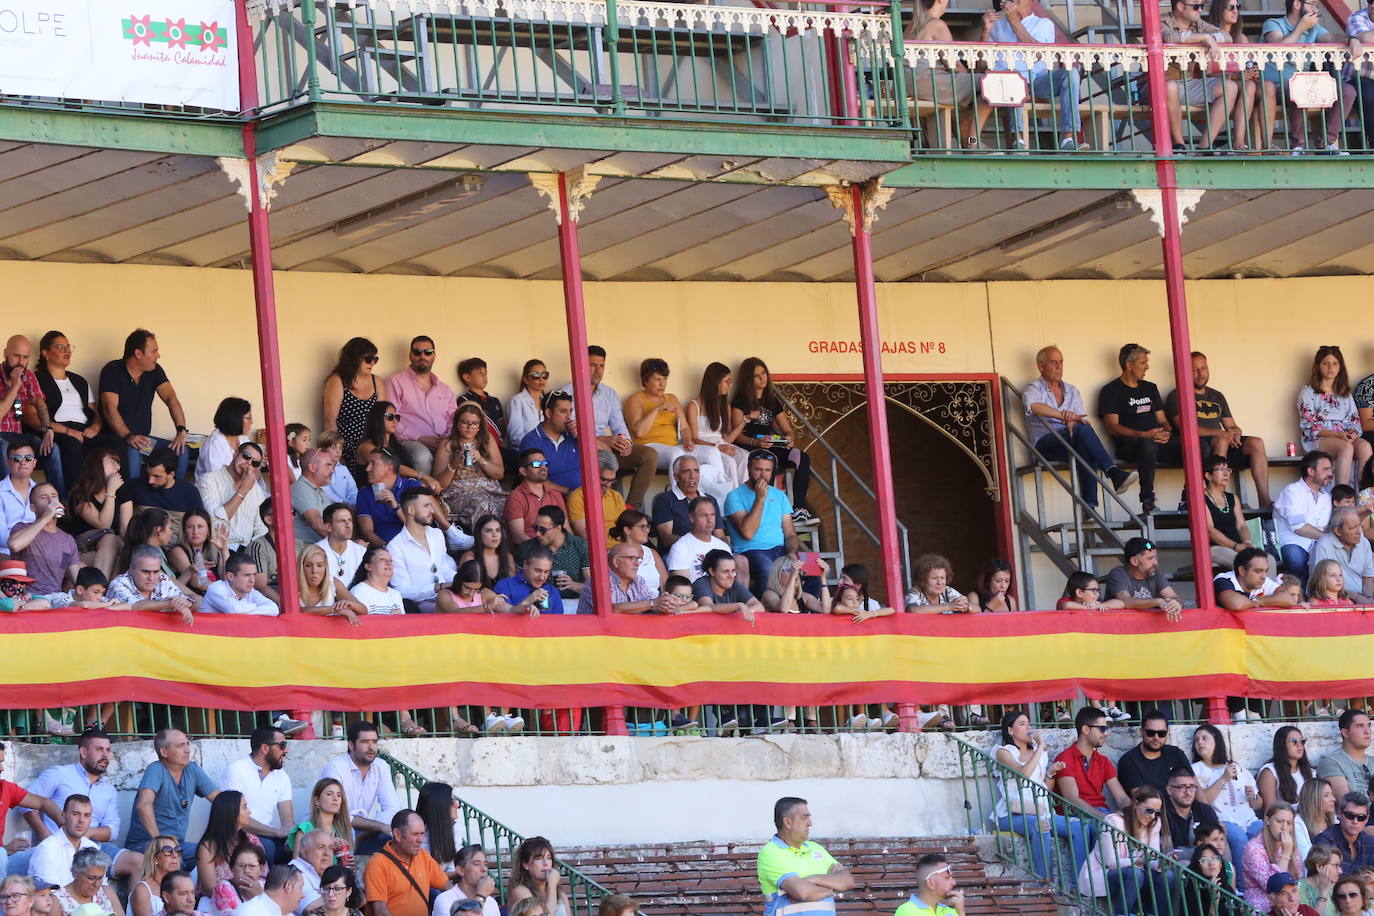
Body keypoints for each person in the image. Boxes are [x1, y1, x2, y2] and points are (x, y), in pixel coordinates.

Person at [1023, 345, 1136, 508]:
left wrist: (1073, 421)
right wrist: (1063, 416)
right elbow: (1033, 406)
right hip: (1044, 445)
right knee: (1082, 432)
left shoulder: (1071, 390)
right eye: (1053, 363)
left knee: (1085, 448)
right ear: (1041, 366)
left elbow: (1079, 419)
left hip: (1070, 441)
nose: (1059, 367)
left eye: (1061, 362)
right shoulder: (1033, 388)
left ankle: (1090, 507)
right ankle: (1113, 472)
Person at [22, 729, 136, 882]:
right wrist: (44, 834)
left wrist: (85, 833)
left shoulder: (108, 790)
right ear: (83, 752)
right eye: (99, 749)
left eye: (108, 750)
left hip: (97, 849)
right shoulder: (59, 774)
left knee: (139, 862)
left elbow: (113, 831)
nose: (105, 755)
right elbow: (25, 803)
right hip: (60, 846)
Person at [553, 346, 657, 509]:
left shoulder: (609, 393)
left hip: (609, 447)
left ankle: (630, 509)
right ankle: (606, 509)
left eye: (601, 366)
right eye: (593, 365)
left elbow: (619, 424)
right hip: (581, 449)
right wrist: (603, 440)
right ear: (580, 365)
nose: (598, 371)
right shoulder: (565, 394)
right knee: (606, 456)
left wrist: (626, 443)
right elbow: (573, 432)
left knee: (649, 455)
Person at [991, 711, 1088, 886]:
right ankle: (1044, 882)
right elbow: (1023, 774)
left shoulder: (1039, 754)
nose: (1029, 727)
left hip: (1041, 810)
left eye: (1029, 723)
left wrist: (1050, 774)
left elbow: (1045, 790)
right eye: (1022, 724)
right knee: (1040, 826)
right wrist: (1041, 745)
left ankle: (1078, 883)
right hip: (1011, 815)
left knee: (1080, 827)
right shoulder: (1003, 752)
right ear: (1010, 730)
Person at [1167, 353, 1272, 508]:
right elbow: (1186, 429)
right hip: (1200, 447)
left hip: (1222, 444)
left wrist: (1235, 432)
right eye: (1194, 369)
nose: (1200, 373)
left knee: (1256, 442)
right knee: (1221, 440)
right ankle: (1216, 497)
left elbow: (1231, 425)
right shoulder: (1176, 396)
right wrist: (1221, 433)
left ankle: (1265, 501)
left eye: (1203, 368)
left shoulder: (1216, 395)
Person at [623, 358, 729, 499]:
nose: (662, 384)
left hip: (675, 445)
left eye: (665, 379)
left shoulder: (671, 398)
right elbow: (639, 432)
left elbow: (685, 428)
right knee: (677, 455)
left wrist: (687, 440)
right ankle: (679, 502)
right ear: (645, 380)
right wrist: (657, 409)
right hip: (649, 446)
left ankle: (719, 501)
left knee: (712, 453)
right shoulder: (635, 399)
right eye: (657, 379)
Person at [1262, 0, 1358, 155]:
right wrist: (1301, 27)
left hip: (1305, 85)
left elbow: (1331, 37)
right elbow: (1280, 47)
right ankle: (1298, 146)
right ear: (1297, 4)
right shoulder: (1273, 24)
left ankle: (1327, 143)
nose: (1315, 8)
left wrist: (1352, 39)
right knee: (1301, 84)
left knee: (1348, 90)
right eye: (1312, 3)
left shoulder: (1314, 29)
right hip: (1275, 87)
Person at [1099, 343, 1181, 515]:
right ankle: (1148, 501)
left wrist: (1166, 432)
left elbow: (1163, 420)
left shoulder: (1150, 388)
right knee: (1146, 445)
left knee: (1196, 446)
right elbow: (1113, 427)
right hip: (1131, 445)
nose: (1147, 367)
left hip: (1157, 440)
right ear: (1129, 365)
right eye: (1143, 363)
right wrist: (1144, 435)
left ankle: (1190, 498)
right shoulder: (1111, 390)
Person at [97, 329, 190, 480]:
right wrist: (128, 436)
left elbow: (171, 399)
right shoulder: (112, 370)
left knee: (182, 451)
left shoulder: (154, 370)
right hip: (116, 439)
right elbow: (109, 409)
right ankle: (133, 501)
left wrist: (181, 430)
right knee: (132, 451)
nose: (158, 356)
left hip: (144, 441)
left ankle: (172, 498)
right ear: (138, 353)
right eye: (154, 351)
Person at [729, 358, 812, 522]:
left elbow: (787, 429)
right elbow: (736, 435)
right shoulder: (740, 401)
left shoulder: (772, 401)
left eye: (763, 373)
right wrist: (756, 442)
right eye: (756, 376)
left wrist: (788, 438)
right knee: (769, 460)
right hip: (750, 447)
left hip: (772, 445)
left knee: (802, 457)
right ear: (748, 380)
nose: (762, 378)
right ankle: (769, 511)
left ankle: (799, 508)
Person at [124, 729, 217, 863]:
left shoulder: (192, 769)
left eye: (187, 744)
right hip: (145, 844)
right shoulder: (156, 769)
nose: (187, 750)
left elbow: (221, 800)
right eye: (180, 746)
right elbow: (143, 805)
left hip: (178, 846)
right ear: (164, 752)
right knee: (175, 864)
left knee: (210, 854)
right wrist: (160, 844)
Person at [1078, 786, 1172, 915]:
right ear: (1135, 804)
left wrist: (1161, 864)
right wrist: (1138, 860)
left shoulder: (1155, 823)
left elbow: (1151, 857)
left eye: (1157, 812)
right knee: (1135, 873)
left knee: (1168, 875)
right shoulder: (1114, 821)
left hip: (1136, 875)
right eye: (1149, 810)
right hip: (1104, 873)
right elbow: (1110, 862)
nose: (1152, 816)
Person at [1156, 1, 1235, 152]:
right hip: (1157, 87)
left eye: (1202, 6)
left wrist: (1209, 38)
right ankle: (1179, 145)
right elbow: (1170, 37)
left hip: (1187, 83)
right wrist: (1205, 37)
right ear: (1180, 6)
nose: (1200, 10)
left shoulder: (1197, 23)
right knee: (1170, 86)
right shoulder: (1162, 20)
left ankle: (1205, 146)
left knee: (1229, 87)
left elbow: (1226, 36)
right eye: (1196, 6)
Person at [756, 798, 853, 916]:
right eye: (804, 817)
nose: (810, 823)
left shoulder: (815, 848)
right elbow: (802, 892)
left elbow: (848, 880)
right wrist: (834, 887)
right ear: (788, 822)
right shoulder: (772, 852)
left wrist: (814, 879)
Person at [33, 332, 101, 498]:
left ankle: (119, 507)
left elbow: (95, 412)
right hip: (58, 430)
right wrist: (68, 431)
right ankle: (74, 502)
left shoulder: (80, 381)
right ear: (45, 352)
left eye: (68, 347)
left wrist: (95, 427)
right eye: (60, 347)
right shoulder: (36, 379)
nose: (67, 351)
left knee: (114, 444)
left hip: (85, 429)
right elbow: (36, 418)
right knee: (72, 445)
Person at [725, 450, 800, 595]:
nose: (763, 474)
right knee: (768, 569)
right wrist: (760, 499)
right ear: (748, 469)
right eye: (758, 469)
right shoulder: (734, 496)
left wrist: (791, 552)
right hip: (751, 550)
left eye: (767, 470)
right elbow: (747, 532)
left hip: (780, 550)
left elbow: (790, 533)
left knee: (812, 570)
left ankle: (805, 613)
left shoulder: (780, 495)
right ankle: (769, 612)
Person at [321, 722, 401, 855]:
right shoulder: (336, 767)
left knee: (393, 840)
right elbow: (337, 814)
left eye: (374, 742)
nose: (371, 747)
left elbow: (392, 808)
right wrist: (380, 827)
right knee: (348, 836)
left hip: (363, 833)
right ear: (351, 745)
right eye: (365, 742)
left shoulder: (381, 766)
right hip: (332, 831)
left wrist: (367, 831)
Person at [219, 727, 295, 865]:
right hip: (239, 834)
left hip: (269, 835)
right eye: (282, 746)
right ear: (265, 748)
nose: (286, 751)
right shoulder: (237, 769)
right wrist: (276, 832)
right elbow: (235, 817)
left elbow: (288, 823)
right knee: (268, 847)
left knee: (299, 846)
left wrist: (295, 837)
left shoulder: (282, 776)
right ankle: (265, 886)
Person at [1192, 724, 1264, 871]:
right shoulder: (1196, 769)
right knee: (1239, 839)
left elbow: (1258, 805)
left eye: (1205, 738)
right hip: (1223, 820)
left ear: (1217, 741)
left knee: (1269, 832)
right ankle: (1240, 888)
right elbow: (1203, 801)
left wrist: (1253, 798)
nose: (1200, 742)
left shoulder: (1236, 767)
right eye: (1196, 740)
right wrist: (1223, 779)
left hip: (1249, 819)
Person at [1299, 348, 1369, 490]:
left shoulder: (1344, 393)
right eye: (1325, 363)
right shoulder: (1308, 392)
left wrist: (1352, 433)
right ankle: (1341, 496)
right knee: (1346, 447)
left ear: (1340, 367)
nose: (1330, 367)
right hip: (1319, 439)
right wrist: (1338, 435)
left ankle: (1365, 496)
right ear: (1318, 366)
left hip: (1343, 436)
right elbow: (1310, 425)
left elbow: (1354, 420)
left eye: (1335, 363)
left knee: (1364, 446)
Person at [386, 337, 455, 478]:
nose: (422, 356)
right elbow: (389, 419)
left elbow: (454, 418)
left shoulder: (445, 389)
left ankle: (449, 497)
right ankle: (424, 495)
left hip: (443, 441)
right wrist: (420, 437)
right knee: (422, 456)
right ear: (410, 355)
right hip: (410, 441)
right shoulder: (396, 382)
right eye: (417, 352)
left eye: (428, 352)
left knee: (460, 454)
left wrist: (446, 439)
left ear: (434, 356)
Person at [433, 405, 505, 531]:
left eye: (474, 423)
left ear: (479, 426)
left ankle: (506, 546)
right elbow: (440, 485)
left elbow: (499, 474)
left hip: (489, 489)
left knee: (511, 503)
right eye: (465, 422)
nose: (469, 427)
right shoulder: (447, 445)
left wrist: (482, 460)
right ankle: (484, 545)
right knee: (482, 505)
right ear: (457, 424)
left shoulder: (487, 440)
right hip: (460, 492)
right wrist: (453, 465)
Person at [361, 811, 446, 916]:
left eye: (422, 834)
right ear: (397, 834)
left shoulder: (422, 855)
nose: (421, 840)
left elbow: (446, 885)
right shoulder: (378, 864)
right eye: (415, 834)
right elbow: (380, 912)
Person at [684, 362, 749, 498]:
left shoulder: (725, 407)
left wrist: (744, 421)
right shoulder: (693, 405)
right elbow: (694, 438)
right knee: (730, 463)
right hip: (703, 447)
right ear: (714, 382)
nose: (730, 385)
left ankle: (744, 499)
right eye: (727, 381)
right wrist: (718, 447)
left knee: (745, 457)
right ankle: (732, 501)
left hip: (722, 444)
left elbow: (728, 439)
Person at [387, 489, 458, 613]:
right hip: (420, 606)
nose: (432, 510)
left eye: (431, 505)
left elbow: (443, 568)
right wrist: (437, 588)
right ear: (411, 510)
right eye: (426, 506)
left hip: (447, 597)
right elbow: (401, 590)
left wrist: (461, 580)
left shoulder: (437, 534)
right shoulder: (395, 547)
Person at [60, 449, 126, 579]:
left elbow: (125, 529)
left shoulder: (123, 491)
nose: (118, 466)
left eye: (118, 463)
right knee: (114, 556)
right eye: (112, 462)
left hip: (116, 545)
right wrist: (111, 492)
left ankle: (97, 591)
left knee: (114, 543)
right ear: (96, 464)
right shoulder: (80, 493)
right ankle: (101, 591)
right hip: (84, 549)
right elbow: (103, 524)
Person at [323, 338, 386, 472]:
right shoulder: (337, 381)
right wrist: (337, 455)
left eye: (375, 359)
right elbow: (330, 422)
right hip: (346, 445)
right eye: (368, 359)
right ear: (354, 358)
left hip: (372, 442)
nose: (372, 363)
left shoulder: (377, 382)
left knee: (388, 460)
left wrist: (384, 445)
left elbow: (384, 417)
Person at [7, 484, 80, 599]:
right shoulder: (21, 528)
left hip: (55, 599)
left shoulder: (67, 540)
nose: (51, 501)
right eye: (44, 498)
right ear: (33, 508)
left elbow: (77, 579)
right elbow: (15, 545)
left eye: (54, 496)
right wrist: (46, 518)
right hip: (26, 597)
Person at [1054, 706, 1131, 814]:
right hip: (1076, 818)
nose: (1106, 733)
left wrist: (1134, 815)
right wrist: (1106, 818)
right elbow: (1072, 799)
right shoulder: (1065, 759)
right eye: (1102, 729)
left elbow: (1121, 798)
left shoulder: (1103, 761)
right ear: (1085, 729)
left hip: (1103, 814)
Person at [1275, 451, 1335, 586]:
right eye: (1325, 469)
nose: (1330, 474)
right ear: (1311, 471)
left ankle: (1323, 600)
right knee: (1296, 560)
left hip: (1318, 542)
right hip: (1294, 541)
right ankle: (1297, 600)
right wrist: (1328, 539)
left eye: (1331, 469)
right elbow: (1298, 527)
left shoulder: (1326, 496)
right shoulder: (1292, 491)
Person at [196, 444, 269, 553]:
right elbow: (214, 524)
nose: (248, 464)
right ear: (235, 453)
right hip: (219, 547)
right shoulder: (208, 480)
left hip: (248, 550)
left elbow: (261, 528)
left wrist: (255, 551)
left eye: (255, 463)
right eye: (246, 456)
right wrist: (243, 490)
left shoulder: (255, 488)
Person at [194, 792, 262, 901]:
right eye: (244, 808)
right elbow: (210, 889)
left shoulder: (251, 840)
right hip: (219, 904)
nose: (249, 812)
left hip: (253, 900)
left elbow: (264, 876)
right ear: (231, 813)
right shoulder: (208, 848)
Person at [27, 795, 103, 890]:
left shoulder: (93, 847)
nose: (81, 820)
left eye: (86, 815)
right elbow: (50, 894)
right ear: (64, 816)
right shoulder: (48, 848)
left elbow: (103, 887)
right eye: (75, 814)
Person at [651, 455, 724, 551]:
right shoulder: (664, 500)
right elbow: (667, 539)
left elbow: (720, 535)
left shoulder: (710, 500)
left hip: (710, 552)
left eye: (696, 470)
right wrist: (699, 543)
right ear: (676, 477)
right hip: (679, 552)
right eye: (686, 471)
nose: (692, 476)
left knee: (739, 560)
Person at [106, 546, 195, 623]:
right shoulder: (118, 584)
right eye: (146, 572)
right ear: (132, 568)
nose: (151, 578)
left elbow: (192, 602)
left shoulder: (162, 579)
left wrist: (186, 604)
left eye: (156, 571)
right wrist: (171, 603)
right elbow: (135, 606)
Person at [1104, 537, 1184, 621]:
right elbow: (1126, 601)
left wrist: (1177, 603)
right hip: (1122, 629)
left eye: (1154, 558)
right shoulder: (1118, 573)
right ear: (1134, 561)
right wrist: (1158, 602)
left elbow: (1173, 596)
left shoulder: (1155, 571)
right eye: (1150, 558)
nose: (1155, 562)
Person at [455, 358, 513, 471]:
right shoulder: (464, 400)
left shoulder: (494, 401)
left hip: (497, 446)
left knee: (521, 460)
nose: (484, 376)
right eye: (479, 372)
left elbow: (502, 427)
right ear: (467, 377)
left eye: (486, 373)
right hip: (478, 447)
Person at [576, 544, 668, 615]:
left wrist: (667, 603)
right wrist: (653, 603)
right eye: (632, 559)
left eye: (639, 560)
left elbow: (654, 604)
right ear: (616, 562)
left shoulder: (638, 581)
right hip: (596, 637)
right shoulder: (598, 582)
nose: (637, 564)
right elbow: (610, 609)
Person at [355, 450, 421, 548]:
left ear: (389, 469)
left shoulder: (411, 487)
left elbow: (417, 527)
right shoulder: (364, 493)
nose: (367, 469)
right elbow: (367, 531)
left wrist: (395, 506)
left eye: (373, 464)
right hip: (384, 548)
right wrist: (386, 547)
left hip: (414, 544)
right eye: (368, 464)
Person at [1202, 455, 1256, 570]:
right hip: (1215, 548)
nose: (1226, 474)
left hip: (1239, 546)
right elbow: (1209, 530)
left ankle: (1264, 588)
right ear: (1208, 475)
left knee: (1268, 559)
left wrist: (1247, 542)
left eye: (1228, 470)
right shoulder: (1201, 498)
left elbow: (1241, 525)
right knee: (1245, 564)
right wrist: (1235, 546)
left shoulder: (1232, 498)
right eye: (1221, 470)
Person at [518, 392, 579, 494]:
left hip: (584, 498)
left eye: (570, 411)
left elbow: (600, 453)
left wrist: (582, 437)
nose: (569, 417)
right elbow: (533, 479)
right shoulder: (531, 440)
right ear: (548, 413)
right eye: (563, 411)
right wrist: (569, 493)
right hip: (553, 501)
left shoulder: (574, 435)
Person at [1242, 804, 1300, 909]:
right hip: (1260, 902)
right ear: (1268, 820)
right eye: (1279, 821)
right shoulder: (1253, 849)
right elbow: (1273, 886)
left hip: (1287, 898)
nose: (1284, 827)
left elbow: (1298, 878)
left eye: (1289, 823)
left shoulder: (1290, 846)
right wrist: (1285, 854)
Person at [1118, 710, 1191, 794]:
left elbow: (1193, 786)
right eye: (1151, 733)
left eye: (1161, 733)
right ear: (1141, 732)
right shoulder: (1129, 761)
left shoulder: (1176, 754)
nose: (1156, 737)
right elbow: (1142, 799)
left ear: (1167, 733)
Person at [1311, 509, 1374, 605]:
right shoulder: (1323, 545)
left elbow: (1367, 578)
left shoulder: (1363, 542)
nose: (1359, 532)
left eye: (1359, 526)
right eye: (1353, 528)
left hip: (1362, 597)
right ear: (1338, 531)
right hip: (1334, 599)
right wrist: (1357, 597)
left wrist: (1369, 598)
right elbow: (1321, 584)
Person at [503, 450, 566, 544]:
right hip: (531, 553)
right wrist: (546, 551)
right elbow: (518, 537)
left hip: (558, 550)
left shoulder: (555, 495)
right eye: (536, 464)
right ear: (523, 471)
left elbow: (566, 529)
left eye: (545, 463)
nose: (543, 467)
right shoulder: (516, 497)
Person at [285, 779, 353, 864]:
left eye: (339, 795)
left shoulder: (342, 831)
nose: (335, 798)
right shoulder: (304, 829)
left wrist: (346, 863)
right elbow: (296, 866)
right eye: (329, 794)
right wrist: (328, 844)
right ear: (317, 800)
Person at [665, 496, 732, 582]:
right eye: (704, 515)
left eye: (712, 515)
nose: (709, 520)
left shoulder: (723, 547)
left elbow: (731, 581)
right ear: (692, 518)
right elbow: (682, 589)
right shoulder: (680, 548)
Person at [1163, 766, 1220, 860]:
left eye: (1192, 787)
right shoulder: (1160, 811)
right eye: (1182, 787)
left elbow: (1215, 847)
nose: (1188, 792)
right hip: (1170, 868)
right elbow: (1166, 853)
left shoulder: (1205, 811)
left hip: (1204, 864)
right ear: (1169, 790)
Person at [298, 546, 365, 624]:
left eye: (319, 565)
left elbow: (363, 610)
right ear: (301, 568)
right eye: (308, 565)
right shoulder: (294, 584)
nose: (314, 571)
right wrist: (334, 609)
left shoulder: (333, 582)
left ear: (326, 567)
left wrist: (349, 605)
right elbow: (298, 611)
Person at [566, 451, 625, 540]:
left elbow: (626, 528)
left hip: (623, 547)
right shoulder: (577, 497)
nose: (608, 485)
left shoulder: (616, 496)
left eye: (612, 480)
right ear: (592, 473)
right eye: (604, 480)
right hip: (598, 550)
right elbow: (584, 535)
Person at [167, 510, 227, 596]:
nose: (195, 532)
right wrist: (227, 592)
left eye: (200, 526)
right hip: (193, 602)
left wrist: (224, 550)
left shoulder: (214, 553)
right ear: (184, 531)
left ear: (208, 531)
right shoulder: (177, 551)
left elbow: (228, 578)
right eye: (190, 527)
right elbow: (197, 581)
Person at [1317, 710, 1373, 802]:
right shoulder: (1331, 762)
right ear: (1345, 733)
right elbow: (1347, 804)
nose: (1367, 731)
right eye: (1360, 726)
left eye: (1369, 726)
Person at [1313, 793, 1374, 874]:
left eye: (1361, 817)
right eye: (1350, 815)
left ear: (1367, 819)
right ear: (1339, 813)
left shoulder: (1371, 843)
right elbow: (1323, 877)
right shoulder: (1326, 840)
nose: (1355, 821)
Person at [56, 847, 126, 916]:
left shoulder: (106, 892)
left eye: (101, 877)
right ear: (75, 873)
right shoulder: (58, 899)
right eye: (91, 878)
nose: (97, 884)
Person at [607, 510, 665, 593]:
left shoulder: (651, 553)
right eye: (642, 527)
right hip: (629, 603)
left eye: (647, 526)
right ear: (627, 530)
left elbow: (666, 584)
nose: (647, 531)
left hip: (657, 603)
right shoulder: (613, 556)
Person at [1215, 547, 1290, 611]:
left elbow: (1289, 599)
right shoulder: (1223, 580)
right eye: (1258, 571)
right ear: (1242, 571)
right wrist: (1267, 601)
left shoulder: (1264, 581)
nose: (1264, 576)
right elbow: (1236, 604)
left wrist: (1257, 600)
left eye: (1266, 571)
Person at [493, 547, 563, 615]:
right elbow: (501, 619)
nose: (542, 577)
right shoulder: (505, 586)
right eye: (537, 571)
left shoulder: (553, 591)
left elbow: (558, 623)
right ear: (525, 564)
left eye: (546, 572)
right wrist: (528, 601)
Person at [431, 847, 498, 916]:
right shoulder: (444, 900)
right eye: (477, 864)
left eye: (485, 864)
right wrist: (481, 897)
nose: (484, 869)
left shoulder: (491, 902)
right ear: (460, 870)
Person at [203, 555, 279, 616]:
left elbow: (273, 609)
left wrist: (245, 611)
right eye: (247, 575)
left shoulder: (250, 591)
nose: (252, 580)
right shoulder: (216, 589)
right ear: (230, 576)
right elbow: (234, 610)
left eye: (254, 575)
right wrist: (255, 606)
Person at [291, 450, 338, 549]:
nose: (332, 470)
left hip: (318, 553)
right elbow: (317, 523)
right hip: (306, 555)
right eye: (328, 465)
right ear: (312, 467)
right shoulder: (300, 487)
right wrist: (342, 545)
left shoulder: (319, 490)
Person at [1259, 726, 1313, 811]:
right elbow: (1271, 811)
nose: (1299, 746)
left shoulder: (1310, 771)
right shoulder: (1270, 772)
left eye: (1302, 741)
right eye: (1293, 742)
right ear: (1282, 745)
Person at [895, 853, 965, 916]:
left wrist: (961, 912)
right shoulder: (907, 912)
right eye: (947, 878)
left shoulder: (949, 911)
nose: (954, 882)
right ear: (930, 883)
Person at [199, 399, 253, 479]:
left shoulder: (243, 439)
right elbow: (216, 481)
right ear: (235, 419)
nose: (252, 422)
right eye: (249, 418)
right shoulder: (214, 445)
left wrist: (258, 463)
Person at [456, 515, 514, 589]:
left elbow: (513, 587)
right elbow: (463, 589)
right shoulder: (470, 558)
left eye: (498, 530)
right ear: (479, 534)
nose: (495, 535)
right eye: (489, 531)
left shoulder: (508, 557)